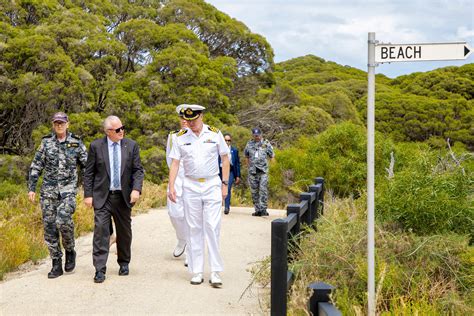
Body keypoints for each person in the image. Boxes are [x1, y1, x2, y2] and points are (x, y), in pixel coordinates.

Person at [168, 104, 230, 287]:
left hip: (212, 184)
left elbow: (225, 158)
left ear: (201, 116)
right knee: (193, 227)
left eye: (194, 120)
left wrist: (225, 184)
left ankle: (216, 271)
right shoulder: (179, 138)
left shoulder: (214, 133)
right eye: (188, 121)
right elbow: (175, 163)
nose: (192, 124)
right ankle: (196, 271)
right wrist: (171, 186)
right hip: (190, 185)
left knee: (212, 226)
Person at [83, 115, 144, 283]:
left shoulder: (131, 145)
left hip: (123, 197)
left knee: (124, 232)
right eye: (118, 130)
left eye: (123, 127)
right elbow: (89, 173)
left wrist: (136, 189)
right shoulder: (96, 146)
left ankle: (124, 262)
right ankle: (99, 269)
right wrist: (88, 195)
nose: (122, 131)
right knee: (101, 231)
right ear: (108, 131)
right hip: (103, 197)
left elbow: (138, 170)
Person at [27, 112, 88, 278]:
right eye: (56, 123)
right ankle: (56, 263)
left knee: (62, 220)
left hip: (68, 191)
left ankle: (69, 249)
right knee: (49, 227)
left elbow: (87, 167)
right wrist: (31, 188)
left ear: (67, 124)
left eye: (62, 123)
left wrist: (88, 189)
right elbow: (36, 166)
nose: (59, 125)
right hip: (48, 192)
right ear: (53, 125)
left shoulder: (76, 143)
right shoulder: (46, 143)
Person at [165, 105, 188, 261]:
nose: (185, 121)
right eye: (182, 118)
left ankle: (191, 252)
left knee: (191, 215)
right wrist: (172, 181)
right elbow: (169, 159)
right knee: (174, 213)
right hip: (177, 178)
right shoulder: (173, 136)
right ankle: (182, 238)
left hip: (193, 179)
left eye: (188, 118)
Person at [244, 128, 275, 217]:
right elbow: (246, 156)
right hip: (253, 171)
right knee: (254, 191)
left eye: (258, 135)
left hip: (263, 171)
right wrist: (248, 167)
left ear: (261, 134)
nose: (256, 137)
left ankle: (263, 209)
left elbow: (272, 156)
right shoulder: (249, 144)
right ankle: (257, 210)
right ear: (252, 135)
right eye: (255, 135)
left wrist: (273, 168)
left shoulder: (266, 143)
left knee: (263, 190)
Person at [218, 133, 241, 214]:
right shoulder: (218, 150)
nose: (227, 142)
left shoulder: (234, 150)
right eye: (225, 140)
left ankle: (227, 207)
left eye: (229, 140)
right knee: (218, 188)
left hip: (230, 171)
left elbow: (237, 163)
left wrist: (238, 175)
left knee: (227, 187)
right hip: (219, 171)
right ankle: (218, 206)